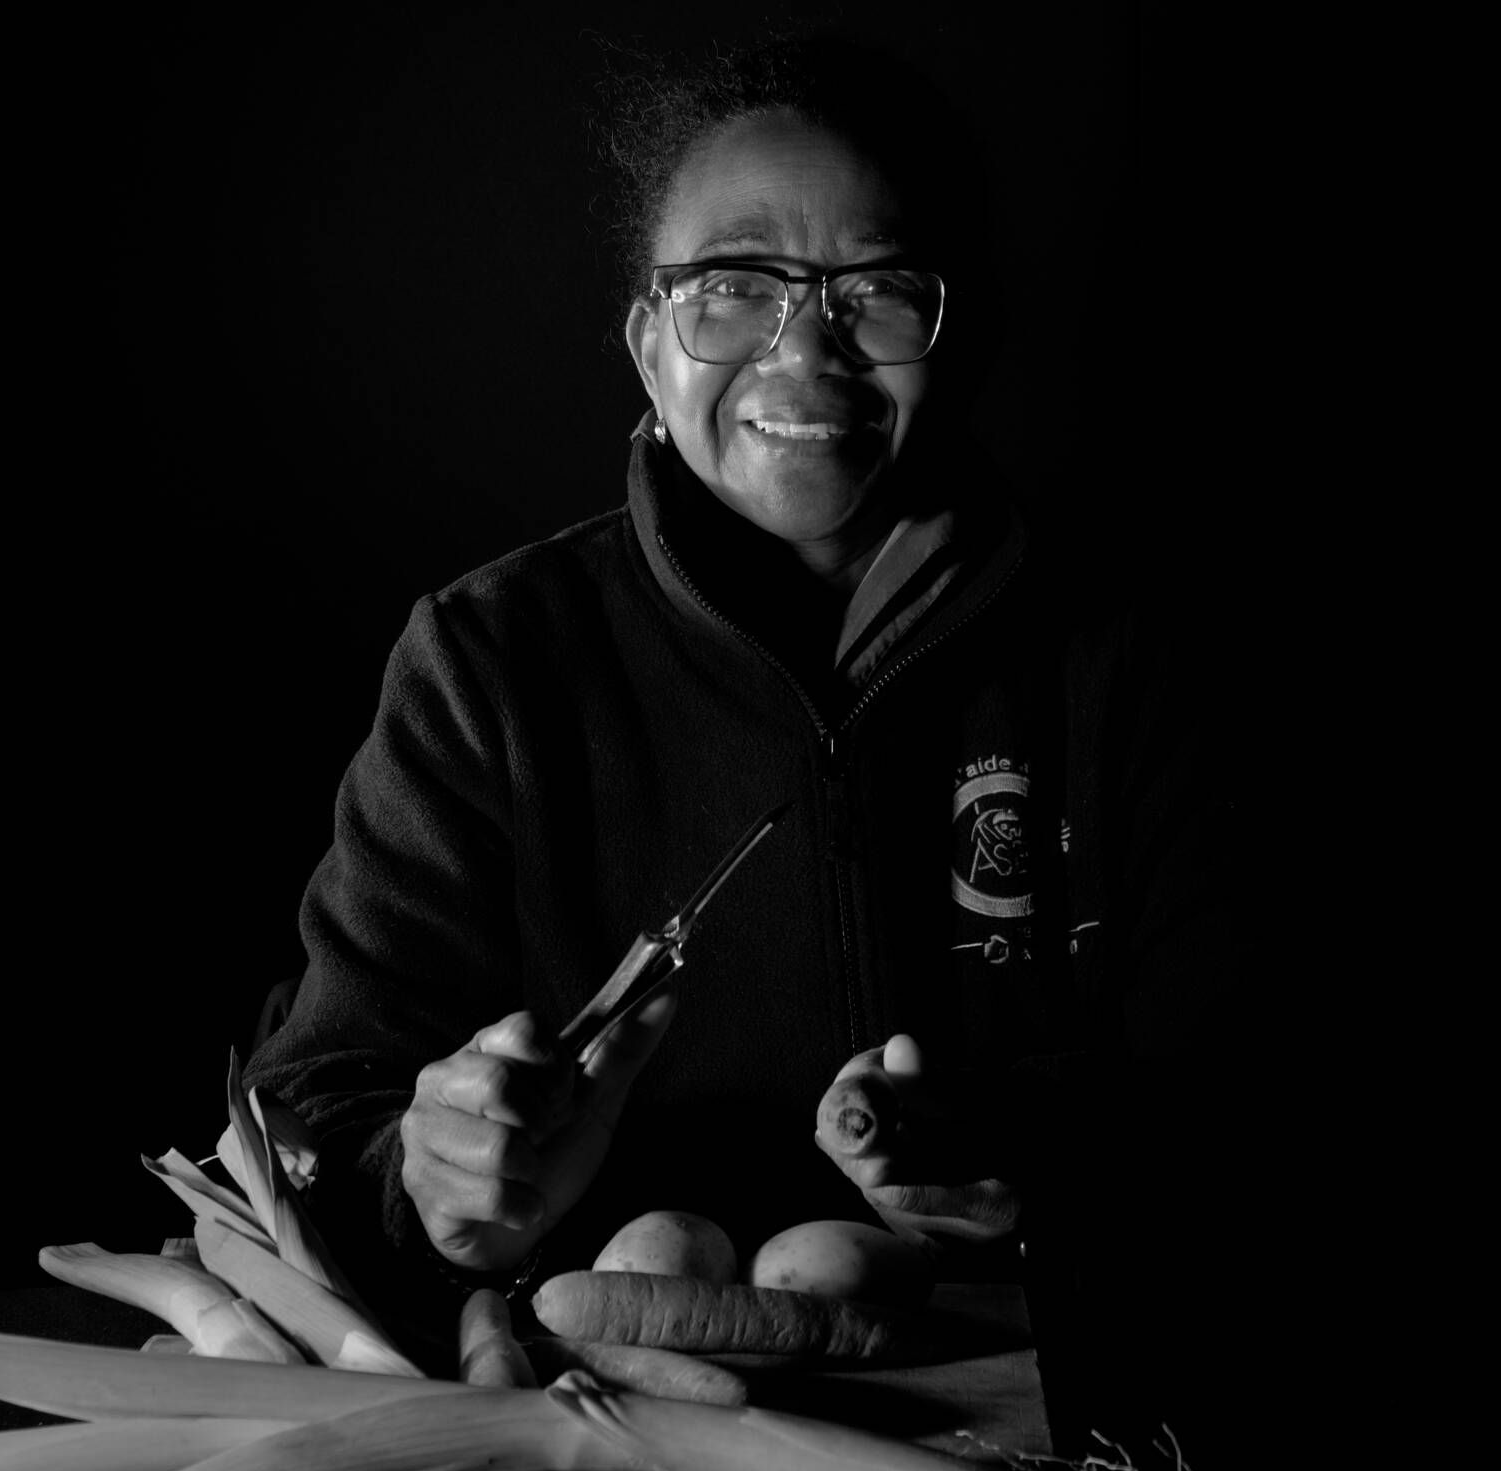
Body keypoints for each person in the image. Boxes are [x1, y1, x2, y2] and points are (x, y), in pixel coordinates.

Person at [244, 37, 1248, 1377]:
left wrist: (1046, 1166)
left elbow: (1251, 1100)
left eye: (876, 291)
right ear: (647, 347)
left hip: (1043, 1418)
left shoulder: (1126, 659)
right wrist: (422, 1185)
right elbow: (315, 1102)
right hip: (610, 1415)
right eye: (732, 290)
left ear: (956, 337)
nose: (806, 350)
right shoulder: (489, 663)